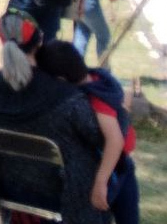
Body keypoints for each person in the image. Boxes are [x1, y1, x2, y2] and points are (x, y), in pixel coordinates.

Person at [0, 9, 106, 223]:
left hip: (10, 187)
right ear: (40, 40)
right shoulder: (66, 96)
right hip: (61, 193)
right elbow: (97, 136)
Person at [37, 41, 140, 224]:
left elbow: (115, 140)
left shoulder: (95, 99)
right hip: (119, 161)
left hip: (116, 162)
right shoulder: (98, 78)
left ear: (60, 80)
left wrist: (101, 182)